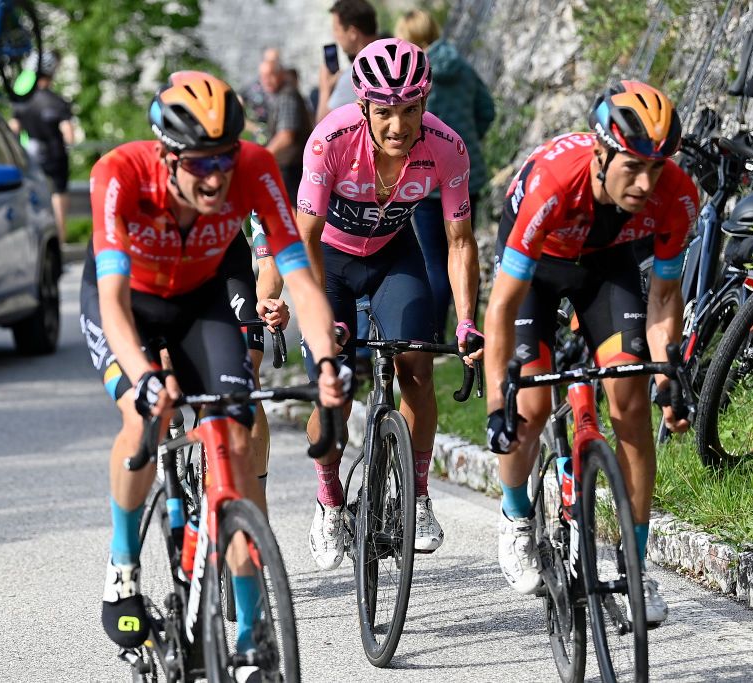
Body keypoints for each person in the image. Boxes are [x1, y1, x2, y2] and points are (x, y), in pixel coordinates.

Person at [81, 70, 348, 654]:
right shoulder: (119, 176)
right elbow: (111, 305)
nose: (217, 176)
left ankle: (253, 636)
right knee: (141, 416)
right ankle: (122, 571)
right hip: (129, 302)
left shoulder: (253, 168)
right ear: (167, 156)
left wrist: (325, 363)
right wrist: (148, 380)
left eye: (224, 159)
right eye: (200, 163)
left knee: (233, 435)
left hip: (199, 298)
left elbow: (300, 278)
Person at [483, 80, 695, 626]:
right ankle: (516, 518)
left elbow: (665, 300)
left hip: (607, 266)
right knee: (528, 411)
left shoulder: (677, 194)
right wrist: (494, 404)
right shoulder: (554, 184)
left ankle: (634, 568)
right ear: (600, 152)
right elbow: (502, 307)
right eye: (632, 166)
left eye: (657, 166)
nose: (646, 182)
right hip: (538, 270)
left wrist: (669, 375)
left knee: (630, 405)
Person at [298, 39, 484, 568]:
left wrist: (468, 320)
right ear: (364, 108)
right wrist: (316, 318)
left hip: (392, 255)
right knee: (331, 389)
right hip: (329, 261)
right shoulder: (329, 141)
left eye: (409, 111)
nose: (398, 126)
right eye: (385, 113)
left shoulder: (447, 147)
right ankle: (330, 500)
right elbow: (306, 239)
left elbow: (460, 242)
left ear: (425, 103)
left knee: (418, 368)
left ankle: (419, 496)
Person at [395, 9, 495, 341]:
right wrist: (468, 141)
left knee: (435, 261)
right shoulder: (463, 66)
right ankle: (468, 326)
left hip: (426, 180)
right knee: (464, 247)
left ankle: (435, 335)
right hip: (468, 174)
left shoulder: (416, 78)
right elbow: (487, 109)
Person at [10, 52, 75, 244]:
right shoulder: (57, 101)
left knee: (31, 196)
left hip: (31, 152)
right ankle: (60, 241)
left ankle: (34, 240)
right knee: (59, 197)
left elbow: (13, 128)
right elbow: (69, 135)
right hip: (56, 155)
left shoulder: (23, 101)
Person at [258, 56, 313, 205]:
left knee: (293, 213)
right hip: (292, 168)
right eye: (263, 76)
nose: (266, 80)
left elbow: (286, 136)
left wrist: (261, 158)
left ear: (281, 74)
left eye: (271, 75)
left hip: (292, 169)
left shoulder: (287, 96)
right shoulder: (283, 94)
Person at [316, 0, 379, 123]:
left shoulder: (355, 75)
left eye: (336, 29)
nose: (335, 36)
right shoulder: (395, 53)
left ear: (352, 33)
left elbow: (323, 128)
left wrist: (325, 89)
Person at [242, 47, 281, 145]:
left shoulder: (286, 87)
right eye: (269, 61)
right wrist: (255, 128)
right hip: (261, 143)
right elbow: (233, 111)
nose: (272, 64)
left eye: (275, 61)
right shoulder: (252, 89)